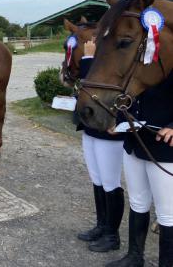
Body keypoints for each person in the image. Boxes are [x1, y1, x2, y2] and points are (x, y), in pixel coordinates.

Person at [106, 71, 173, 267]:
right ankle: (134, 257)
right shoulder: (140, 62)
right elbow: (129, 99)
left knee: (167, 213)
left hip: (163, 149)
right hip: (134, 143)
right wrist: (118, 121)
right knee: (137, 202)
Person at [76, 39, 125, 253]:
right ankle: (101, 225)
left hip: (109, 130)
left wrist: (87, 58)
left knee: (110, 183)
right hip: (91, 128)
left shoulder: (114, 60)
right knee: (97, 180)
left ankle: (112, 235)